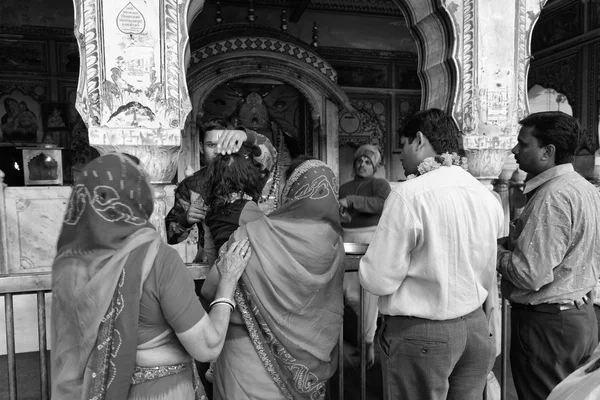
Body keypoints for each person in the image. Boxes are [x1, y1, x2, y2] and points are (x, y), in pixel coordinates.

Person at [51, 153, 252, 400]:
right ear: (140, 198)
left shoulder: (68, 264)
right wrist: (228, 283)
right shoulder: (157, 259)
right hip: (161, 390)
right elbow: (207, 347)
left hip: (94, 389)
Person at [359, 108, 503, 400]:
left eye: (403, 143)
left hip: (422, 335)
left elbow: (379, 280)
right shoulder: (485, 194)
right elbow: (489, 267)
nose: (399, 153)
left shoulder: (409, 194)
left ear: (420, 140)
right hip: (475, 330)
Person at [202, 158, 346, 400]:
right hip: (310, 366)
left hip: (245, 359)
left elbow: (210, 289)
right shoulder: (335, 244)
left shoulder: (253, 233)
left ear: (291, 193)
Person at [496, 111, 600, 400]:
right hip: (580, 317)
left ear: (548, 151)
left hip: (548, 326)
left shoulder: (552, 195)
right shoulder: (585, 189)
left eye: (523, 144)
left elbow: (530, 274)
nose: (515, 150)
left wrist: (494, 252)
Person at [165, 118, 276, 265]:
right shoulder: (191, 185)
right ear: (201, 147)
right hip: (210, 264)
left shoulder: (248, 174)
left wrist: (246, 135)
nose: (218, 150)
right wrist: (185, 219)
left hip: (253, 258)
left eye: (224, 143)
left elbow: (271, 154)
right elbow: (170, 236)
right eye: (211, 145)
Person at [338, 144, 391, 368]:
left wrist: (351, 201)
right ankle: (358, 339)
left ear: (375, 166)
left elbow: (380, 204)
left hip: (371, 240)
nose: (362, 164)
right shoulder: (345, 187)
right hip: (346, 239)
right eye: (360, 160)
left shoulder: (380, 185)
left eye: (368, 161)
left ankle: (368, 342)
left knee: (368, 294)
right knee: (349, 293)